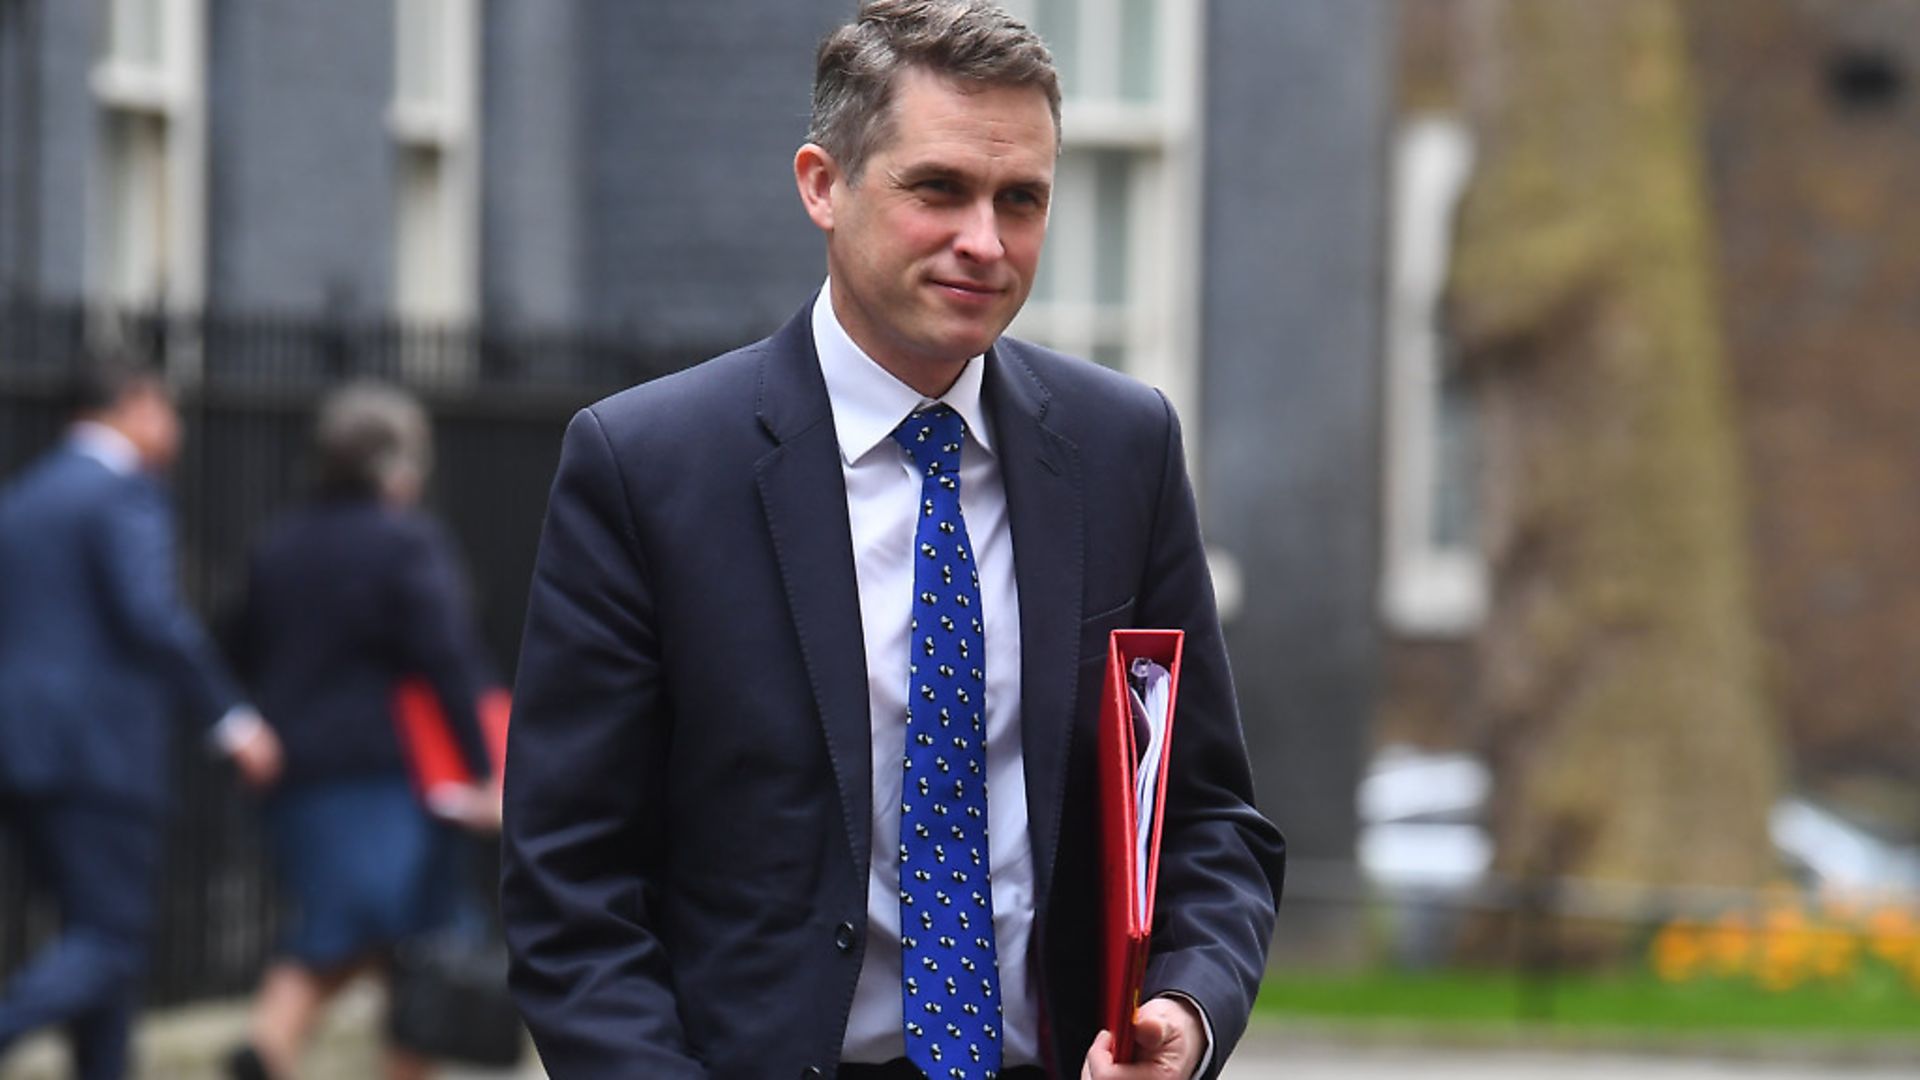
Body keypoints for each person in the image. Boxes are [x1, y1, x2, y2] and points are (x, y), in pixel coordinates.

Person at [499, 2, 1285, 1078]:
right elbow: (569, 888)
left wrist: (1187, 1013)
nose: (986, 241)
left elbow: (1208, 822)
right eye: (939, 189)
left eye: (1022, 200)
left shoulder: (1121, 449)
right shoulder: (648, 466)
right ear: (824, 184)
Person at [0, 354, 283, 1080]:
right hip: (101, 750)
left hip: (26, 748)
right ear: (134, 405)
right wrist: (232, 718)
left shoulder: (26, 495)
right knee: (113, 937)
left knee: (91, 935)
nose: (177, 427)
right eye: (168, 408)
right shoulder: (127, 493)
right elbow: (153, 616)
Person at [225, 381, 499, 1080]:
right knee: (409, 945)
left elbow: (235, 648)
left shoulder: (278, 544)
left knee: (361, 932)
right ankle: (268, 1045)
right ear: (396, 466)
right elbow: (449, 658)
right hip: (389, 776)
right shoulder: (405, 542)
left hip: (298, 776)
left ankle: (269, 1048)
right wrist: (484, 768)